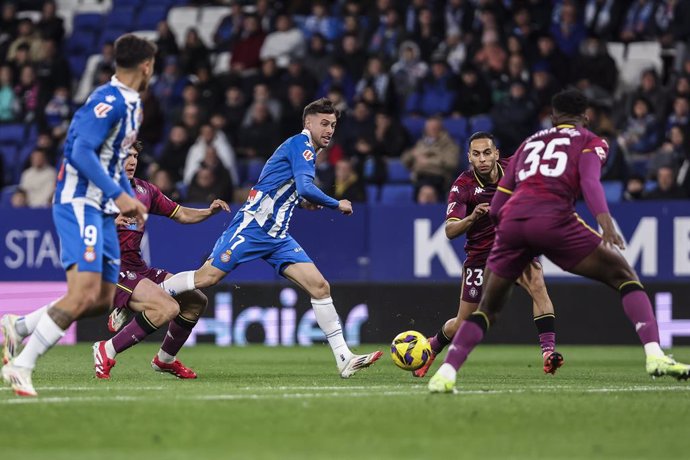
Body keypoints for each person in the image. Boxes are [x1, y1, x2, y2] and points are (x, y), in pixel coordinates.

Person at [428, 89, 690, 394]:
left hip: (512, 227)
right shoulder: (591, 141)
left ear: (553, 118)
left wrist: (510, 242)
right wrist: (604, 220)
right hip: (555, 220)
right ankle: (655, 356)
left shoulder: (529, 143)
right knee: (624, 277)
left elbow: (499, 206)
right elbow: (590, 182)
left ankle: (445, 374)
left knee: (487, 310)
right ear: (586, 118)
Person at [156, 98, 382, 378]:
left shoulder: (303, 149)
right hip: (252, 227)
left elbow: (288, 188)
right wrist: (337, 203)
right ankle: (143, 296)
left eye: (333, 125)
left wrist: (303, 201)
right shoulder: (302, 146)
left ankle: (344, 358)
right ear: (307, 123)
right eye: (323, 123)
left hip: (277, 235)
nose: (329, 130)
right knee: (206, 278)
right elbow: (305, 186)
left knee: (320, 287)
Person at [1, 34, 155, 397]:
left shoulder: (133, 105)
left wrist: (121, 198)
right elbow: (80, 152)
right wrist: (120, 194)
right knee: (82, 292)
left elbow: (110, 160)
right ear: (146, 65)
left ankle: (16, 328)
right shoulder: (108, 99)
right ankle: (22, 366)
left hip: (102, 208)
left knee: (100, 298)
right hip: (78, 202)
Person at [414, 132, 562, 379]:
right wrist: (472, 218)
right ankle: (432, 347)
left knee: (538, 285)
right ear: (469, 157)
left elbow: (541, 150)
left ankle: (548, 354)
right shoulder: (463, 186)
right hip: (480, 258)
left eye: (486, 153)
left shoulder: (513, 168)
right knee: (463, 323)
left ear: (496, 153)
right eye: (476, 154)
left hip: (514, 248)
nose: (482, 159)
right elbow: (450, 230)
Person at [93, 141, 230, 379]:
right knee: (167, 307)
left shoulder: (145, 191)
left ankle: (165, 360)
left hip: (136, 267)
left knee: (196, 301)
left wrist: (209, 212)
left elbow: (181, 213)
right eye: (126, 156)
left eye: (135, 156)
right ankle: (107, 349)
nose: (132, 161)